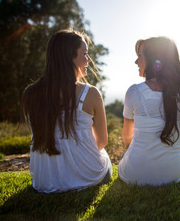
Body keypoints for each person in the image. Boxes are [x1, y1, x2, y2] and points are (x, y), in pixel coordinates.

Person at [21, 30, 112, 193]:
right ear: (69, 57)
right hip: (87, 176)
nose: (88, 60)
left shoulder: (30, 94)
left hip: (45, 182)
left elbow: (39, 136)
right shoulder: (90, 93)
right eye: (84, 54)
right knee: (105, 161)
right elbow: (102, 142)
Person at [118, 36, 180, 186]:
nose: (136, 62)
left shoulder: (135, 92)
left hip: (135, 174)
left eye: (140, 57)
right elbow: (178, 136)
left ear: (154, 60)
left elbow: (127, 138)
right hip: (172, 174)